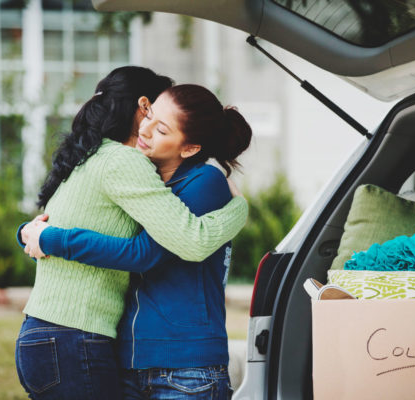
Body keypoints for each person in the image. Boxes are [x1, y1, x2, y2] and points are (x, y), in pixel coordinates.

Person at [15, 70, 249, 400]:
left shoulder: (202, 181)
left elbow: (147, 252)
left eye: (162, 129)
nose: (146, 130)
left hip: (183, 365)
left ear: (189, 148)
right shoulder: (135, 173)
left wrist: (44, 236)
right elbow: (100, 229)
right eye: (149, 116)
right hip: (115, 354)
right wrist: (34, 233)